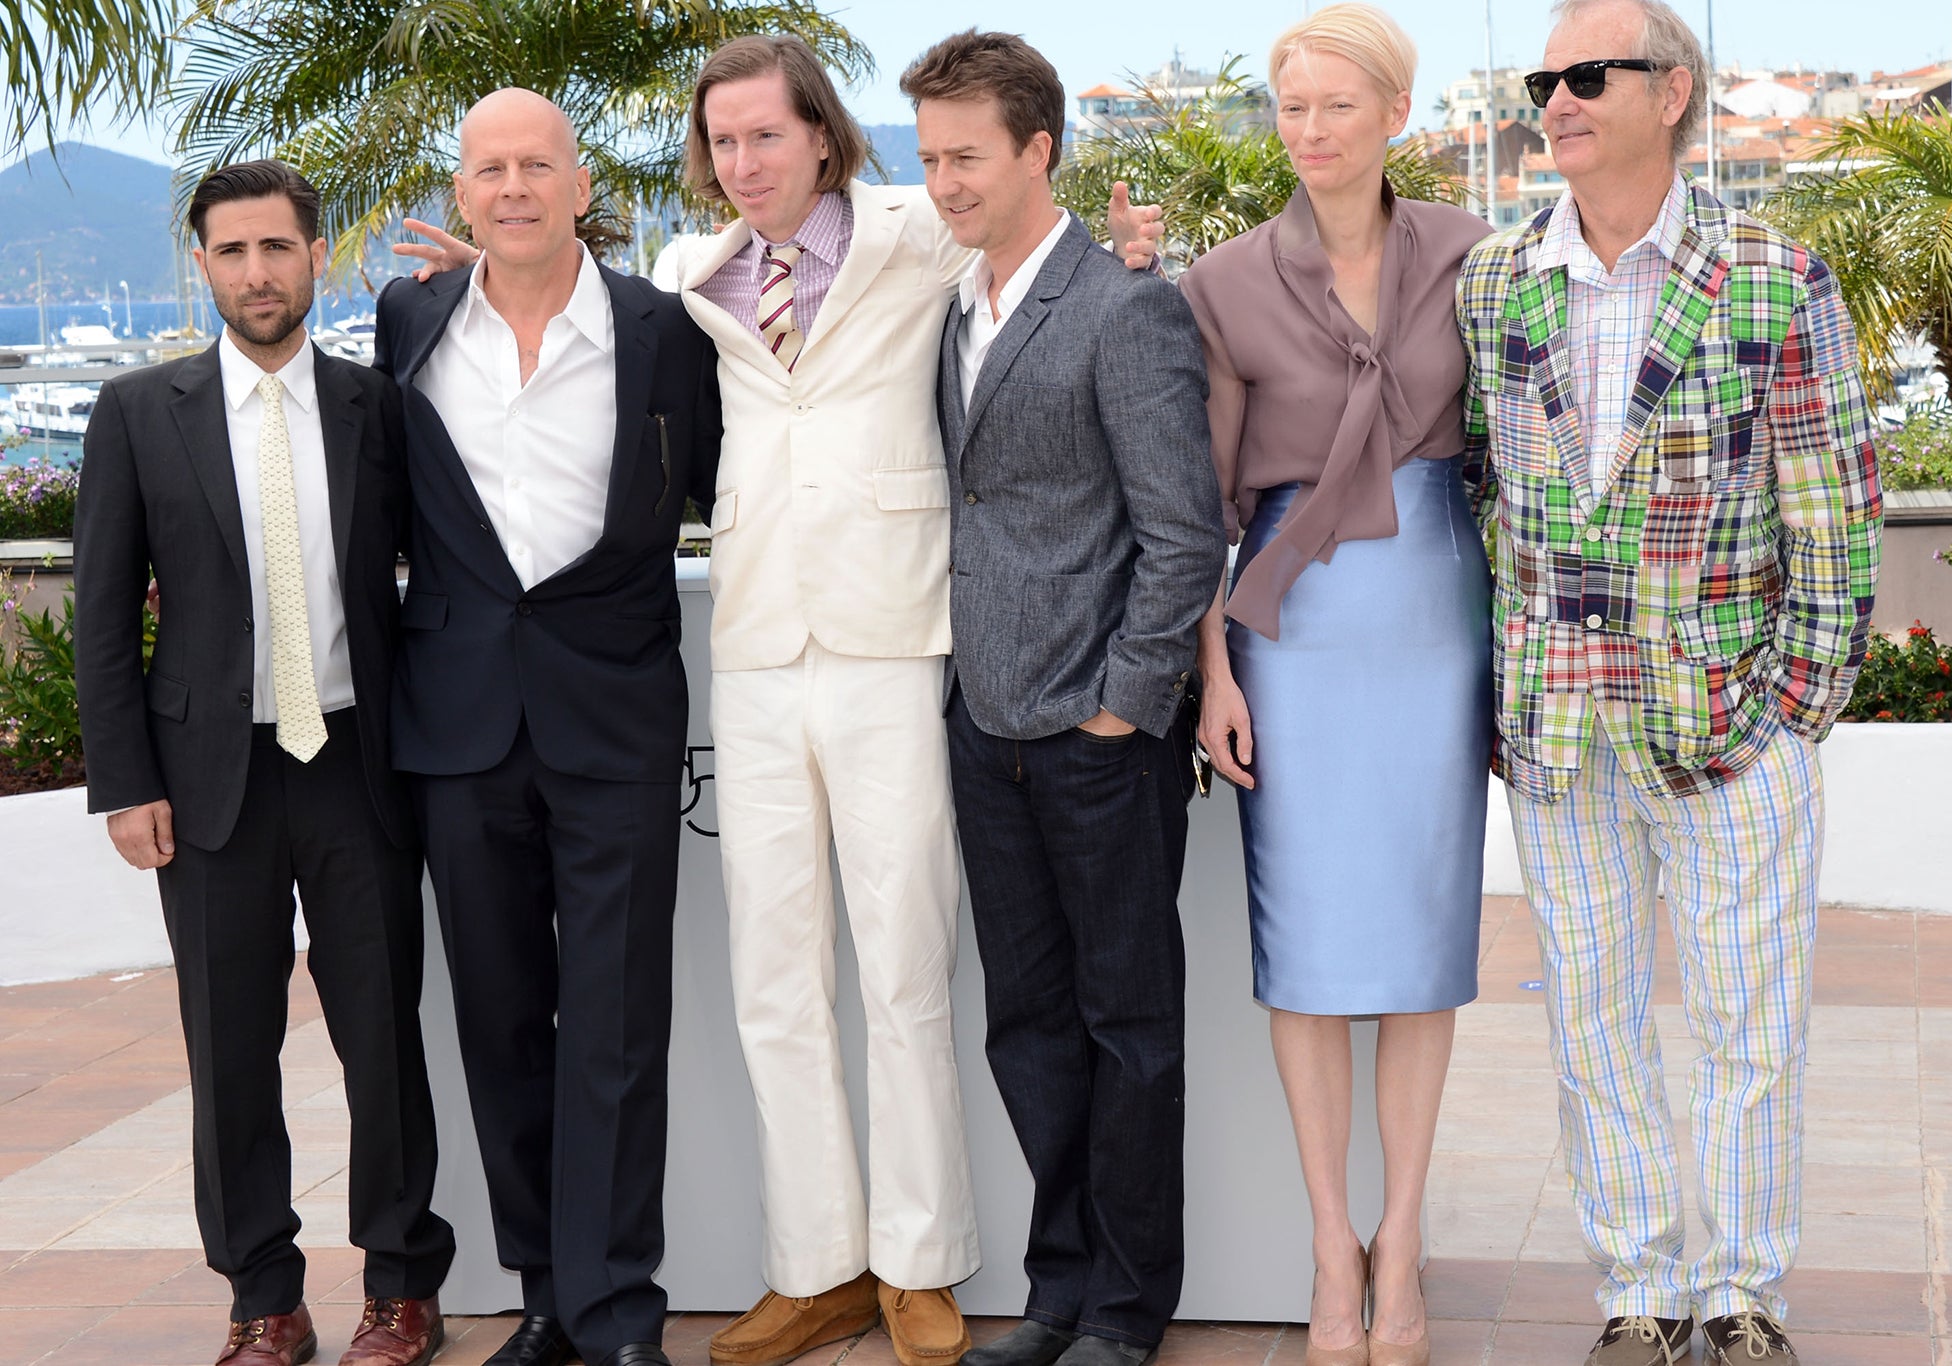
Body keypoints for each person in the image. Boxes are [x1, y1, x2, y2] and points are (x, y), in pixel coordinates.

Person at [393, 40, 1164, 1366]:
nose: (744, 161)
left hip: (891, 637)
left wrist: (1139, 253)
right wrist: (490, 271)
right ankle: (818, 1265)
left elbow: (1038, 246)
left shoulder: (921, 234)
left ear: (821, 134)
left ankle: (922, 1262)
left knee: (907, 958)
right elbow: (580, 312)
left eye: (767, 135)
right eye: (724, 142)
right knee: (774, 975)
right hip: (752, 651)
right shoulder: (690, 282)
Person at [1457, 2, 1883, 1362]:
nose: (1558, 98)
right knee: (1593, 1026)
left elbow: (1835, 509)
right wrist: (1504, 696)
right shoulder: (1498, 278)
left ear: (1672, 90)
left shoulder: (1773, 275)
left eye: (1588, 73)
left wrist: (1789, 714)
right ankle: (1636, 1292)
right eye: (1544, 78)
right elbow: (1482, 498)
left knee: (1753, 1023)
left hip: (1728, 731)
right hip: (1559, 733)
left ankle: (1742, 1292)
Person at [73, 159, 456, 1366]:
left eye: (276, 249)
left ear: (314, 257)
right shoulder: (140, 410)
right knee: (227, 1050)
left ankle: (401, 1289)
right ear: (203, 266)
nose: (255, 272)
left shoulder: (376, 407)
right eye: (231, 252)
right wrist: (125, 779)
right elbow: (99, 612)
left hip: (357, 765)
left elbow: (435, 580)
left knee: (383, 1043)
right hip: (206, 781)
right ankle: (263, 1299)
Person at [374, 89, 721, 1366]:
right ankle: (541, 1297)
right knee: (502, 1024)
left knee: (620, 1026)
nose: (512, 186)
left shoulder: (663, 331)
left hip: (617, 716)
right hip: (458, 726)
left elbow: (743, 474)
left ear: (583, 184)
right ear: (463, 192)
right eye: (489, 169)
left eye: (536, 165)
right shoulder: (411, 317)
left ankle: (618, 1305)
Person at [901, 30, 1224, 1366]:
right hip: (985, 728)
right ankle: (1058, 1287)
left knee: (1128, 1030)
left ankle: (1127, 1308)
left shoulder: (1125, 304)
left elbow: (1183, 533)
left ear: (1040, 149)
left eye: (967, 157)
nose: (945, 183)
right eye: (927, 160)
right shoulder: (950, 308)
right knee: (1026, 1023)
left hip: (1099, 738)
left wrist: (1122, 706)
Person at [1176, 6, 1493, 1364]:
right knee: (1304, 949)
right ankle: (1327, 1239)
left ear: (1396, 118)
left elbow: (1514, 452)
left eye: (1336, 107)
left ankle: (1402, 1238)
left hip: (1433, 610)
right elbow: (1199, 500)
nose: (1310, 131)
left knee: (1422, 948)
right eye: (1291, 107)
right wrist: (1211, 673)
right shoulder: (1222, 281)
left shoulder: (1479, 257)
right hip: (1290, 628)